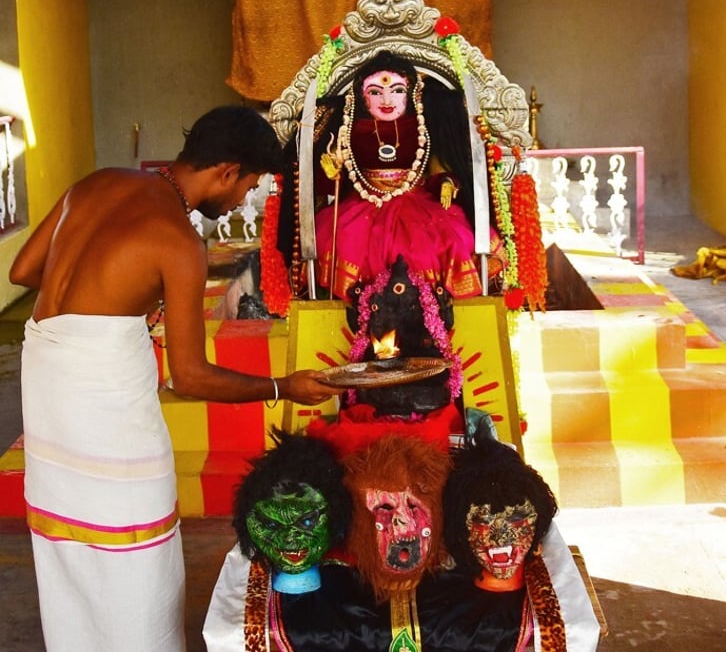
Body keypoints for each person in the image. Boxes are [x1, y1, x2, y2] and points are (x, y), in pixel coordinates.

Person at [8, 105, 345, 651]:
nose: (241, 202)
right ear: (227, 171)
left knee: (68, 551)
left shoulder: (97, 182)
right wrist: (285, 387)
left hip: (49, 395)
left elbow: (22, 272)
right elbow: (189, 377)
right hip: (106, 409)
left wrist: (105, 289)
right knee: (136, 562)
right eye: (248, 188)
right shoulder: (176, 240)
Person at [311, 50, 499, 302]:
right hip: (363, 203)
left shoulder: (422, 125)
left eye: (397, 90)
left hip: (416, 200)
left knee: (442, 243)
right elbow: (339, 178)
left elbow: (438, 165)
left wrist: (446, 182)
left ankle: (430, 310)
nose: (386, 99)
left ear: (412, 93)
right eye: (375, 92)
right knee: (340, 240)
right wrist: (332, 173)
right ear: (362, 96)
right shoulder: (351, 128)